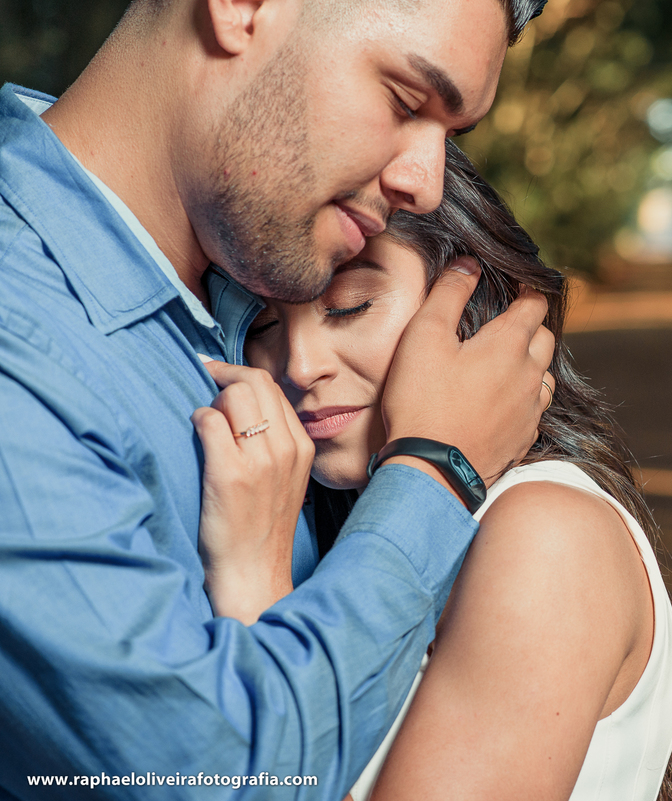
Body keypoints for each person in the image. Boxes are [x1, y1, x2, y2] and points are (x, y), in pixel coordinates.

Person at [0, 0, 554, 796]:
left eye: (450, 136)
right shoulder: (24, 354)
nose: (425, 185)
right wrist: (436, 472)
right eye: (405, 100)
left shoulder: (236, 292)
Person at [198, 141, 672, 801]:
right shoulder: (357, 530)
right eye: (264, 323)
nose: (299, 364)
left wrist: (253, 591)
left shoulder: (548, 535)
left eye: (350, 305)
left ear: (477, 315)